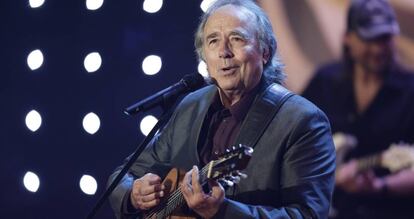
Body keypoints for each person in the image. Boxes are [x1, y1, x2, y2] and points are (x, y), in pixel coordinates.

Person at [108, 0, 335, 218]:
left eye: (237, 38)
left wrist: (222, 212)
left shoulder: (302, 121)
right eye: (213, 41)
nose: (224, 52)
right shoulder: (189, 106)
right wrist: (134, 193)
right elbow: (124, 175)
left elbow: (307, 215)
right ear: (204, 57)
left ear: (265, 52)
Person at [302, 0, 414, 218]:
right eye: (369, 39)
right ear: (348, 38)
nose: (378, 48)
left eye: (385, 38)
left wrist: (381, 186)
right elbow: (293, 137)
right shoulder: (325, 80)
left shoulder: (411, 91)